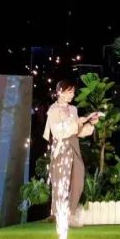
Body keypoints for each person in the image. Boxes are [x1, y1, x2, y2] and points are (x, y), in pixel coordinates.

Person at [43, 79, 100, 227]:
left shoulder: (73, 109)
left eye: (73, 92)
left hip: (74, 144)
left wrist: (89, 123)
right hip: (61, 146)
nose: (72, 95)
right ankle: (58, 214)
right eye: (70, 92)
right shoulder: (53, 110)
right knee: (61, 180)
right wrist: (78, 122)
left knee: (78, 178)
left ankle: (71, 213)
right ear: (60, 92)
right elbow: (59, 131)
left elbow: (78, 131)